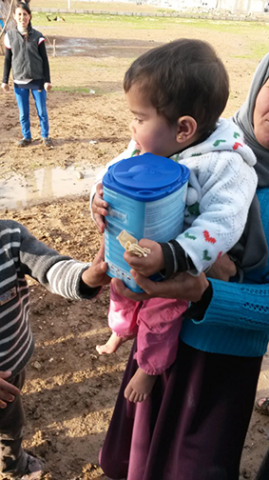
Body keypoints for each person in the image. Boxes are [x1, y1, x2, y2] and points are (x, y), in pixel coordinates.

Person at [96, 52, 269, 480]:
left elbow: (216, 231)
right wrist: (101, 205)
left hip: (220, 365)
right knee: (142, 456)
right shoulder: (187, 139)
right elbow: (122, 178)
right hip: (159, 343)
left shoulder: (227, 166)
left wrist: (208, 291)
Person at [0, 219, 109, 479]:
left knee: (9, 427)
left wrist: (86, 277)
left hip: (11, 367)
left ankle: (12, 465)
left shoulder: (8, 235)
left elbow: (50, 267)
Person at [1, 2, 53, 148]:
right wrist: (4, 80)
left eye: (25, 14)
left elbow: (44, 60)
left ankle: (45, 136)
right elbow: (7, 60)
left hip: (37, 80)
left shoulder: (38, 36)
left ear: (29, 16)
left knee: (42, 111)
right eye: (19, 14)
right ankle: (27, 136)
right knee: (23, 113)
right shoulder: (9, 36)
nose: (22, 17)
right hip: (19, 81)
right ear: (14, 17)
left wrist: (47, 80)